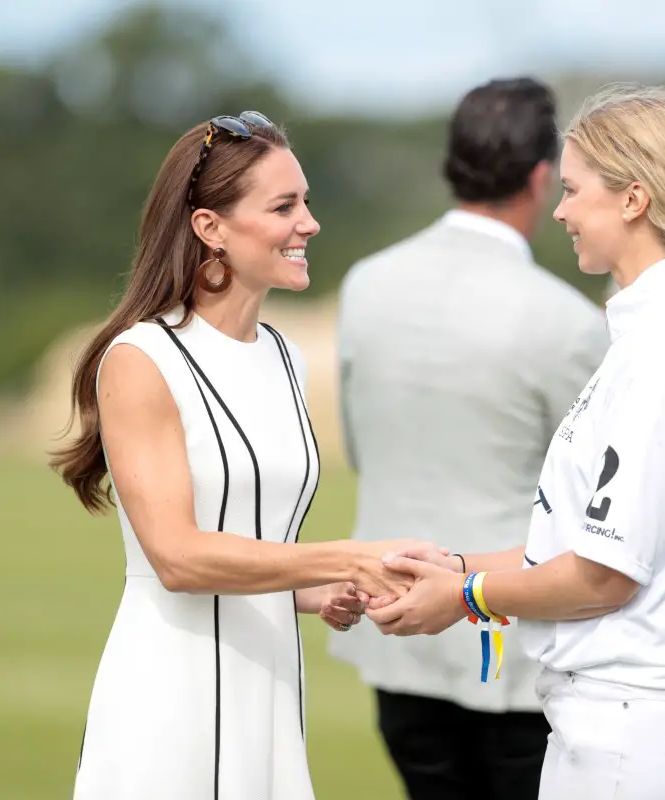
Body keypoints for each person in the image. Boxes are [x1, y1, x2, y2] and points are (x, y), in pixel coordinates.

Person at [366, 82, 665, 800]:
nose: (560, 210)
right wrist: (453, 563)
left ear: (634, 199)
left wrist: (465, 595)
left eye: (576, 190)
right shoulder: (647, 335)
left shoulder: (664, 349)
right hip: (614, 722)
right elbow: (580, 547)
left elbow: (604, 577)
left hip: (632, 725)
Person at [49, 111, 428, 800]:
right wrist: (345, 556)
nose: (309, 223)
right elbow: (179, 557)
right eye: (285, 206)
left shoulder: (281, 356)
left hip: (271, 692)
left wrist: (318, 592)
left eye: (306, 201)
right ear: (210, 228)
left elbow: (253, 535)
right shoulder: (141, 360)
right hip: (167, 705)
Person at [329, 78, 609, 800]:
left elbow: (360, 447)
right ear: (544, 176)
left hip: (392, 630)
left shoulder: (366, 283)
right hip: (513, 647)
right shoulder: (566, 319)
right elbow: (587, 501)